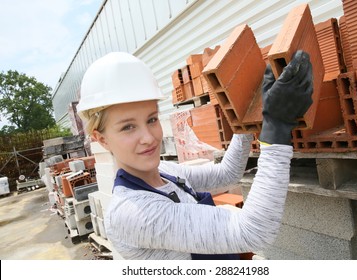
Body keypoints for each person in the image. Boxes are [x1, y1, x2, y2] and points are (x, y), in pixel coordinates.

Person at [76, 50, 313, 260]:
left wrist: (249, 119)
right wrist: (277, 127)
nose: (148, 137)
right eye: (128, 127)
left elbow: (227, 175)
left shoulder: (167, 174)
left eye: (151, 119)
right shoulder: (133, 213)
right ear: (102, 139)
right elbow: (254, 231)